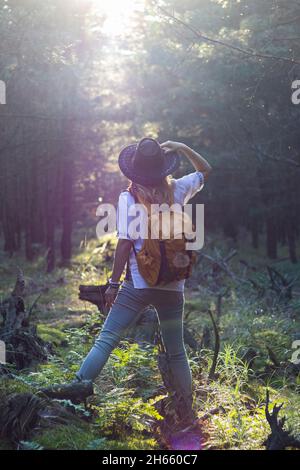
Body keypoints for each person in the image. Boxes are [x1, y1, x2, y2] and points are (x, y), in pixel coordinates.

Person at [76, 137, 212, 430]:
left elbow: (125, 244)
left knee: (106, 340)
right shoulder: (179, 188)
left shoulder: (129, 198)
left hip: (138, 284)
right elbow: (207, 169)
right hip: (174, 286)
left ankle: (73, 396)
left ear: (134, 171)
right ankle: (187, 411)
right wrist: (182, 147)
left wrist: (113, 284)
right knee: (177, 352)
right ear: (163, 166)